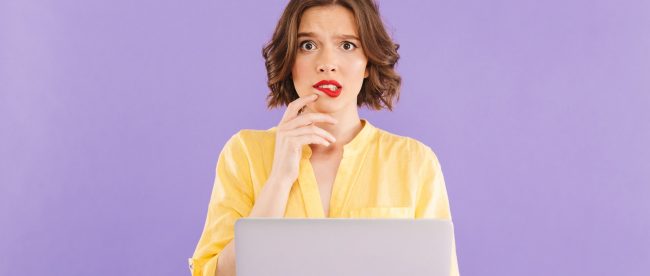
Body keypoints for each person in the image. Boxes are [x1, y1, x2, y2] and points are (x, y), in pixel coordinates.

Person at [189, 1, 459, 275]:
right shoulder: (245, 152)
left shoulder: (415, 162)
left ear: (367, 62)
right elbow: (217, 273)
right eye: (308, 45)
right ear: (289, 60)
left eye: (347, 45)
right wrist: (280, 179)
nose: (327, 64)